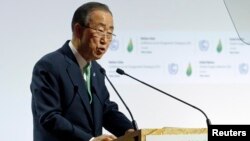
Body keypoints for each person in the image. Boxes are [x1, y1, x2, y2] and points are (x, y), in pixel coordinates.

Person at [30, 2, 134, 141]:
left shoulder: (96, 70)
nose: (105, 40)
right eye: (100, 30)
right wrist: (89, 140)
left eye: (109, 33)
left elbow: (106, 110)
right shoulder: (49, 66)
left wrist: (129, 130)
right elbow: (50, 117)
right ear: (78, 30)